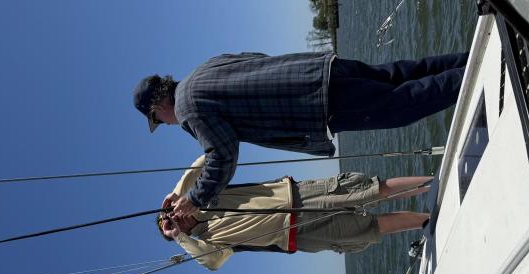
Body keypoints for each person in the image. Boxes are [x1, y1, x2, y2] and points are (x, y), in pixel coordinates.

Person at [133, 51, 466, 219]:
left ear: (158, 107)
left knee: (402, 104)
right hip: (320, 68)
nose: (167, 124)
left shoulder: (188, 110)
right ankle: (477, 50)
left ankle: (479, 67)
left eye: (159, 120)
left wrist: (194, 200)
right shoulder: (203, 69)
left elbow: (222, 155)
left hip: (315, 105)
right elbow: (255, 59)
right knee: (399, 75)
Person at [157, 155, 431, 270]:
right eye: (170, 224)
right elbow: (213, 262)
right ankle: (427, 222)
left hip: (297, 195)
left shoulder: (204, 193)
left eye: (169, 213)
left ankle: (432, 184)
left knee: (371, 190)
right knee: (371, 227)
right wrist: (179, 237)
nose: (174, 217)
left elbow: (210, 158)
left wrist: (178, 192)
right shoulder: (207, 242)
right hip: (298, 234)